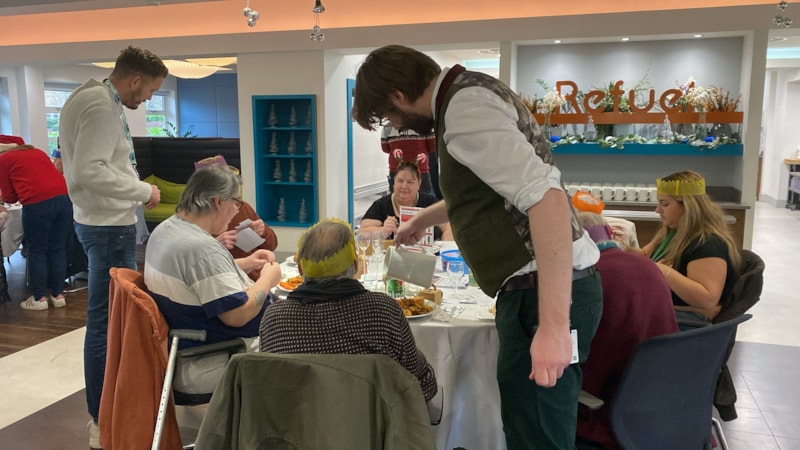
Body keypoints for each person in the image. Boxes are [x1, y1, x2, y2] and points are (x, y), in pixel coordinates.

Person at [351, 45, 602, 449]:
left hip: (540, 293)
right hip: (544, 288)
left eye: (389, 115)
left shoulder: (464, 110)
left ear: (397, 97)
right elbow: (485, 190)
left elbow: (547, 200)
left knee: (537, 436)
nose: (396, 125)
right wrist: (422, 220)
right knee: (532, 426)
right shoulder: (471, 91)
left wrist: (553, 327)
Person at [58, 45, 167, 449]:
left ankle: (107, 411)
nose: (149, 99)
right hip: (106, 226)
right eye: (150, 91)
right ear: (134, 79)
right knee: (107, 323)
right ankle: (102, 418)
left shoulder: (89, 97)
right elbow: (89, 171)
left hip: (99, 221)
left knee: (109, 319)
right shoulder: (101, 106)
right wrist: (144, 190)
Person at [260, 218, 437, 401]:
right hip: (371, 426)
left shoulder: (274, 318)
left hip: (298, 426)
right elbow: (424, 385)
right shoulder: (382, 311)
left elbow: (267, 390)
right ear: (355, 266)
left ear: (300, 269)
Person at [145, 166, 281, 391]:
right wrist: (267, 279)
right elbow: (237, 316)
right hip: (219, 355)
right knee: (309, 346)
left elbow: (196, 279)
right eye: (236, 202)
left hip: (185, 347)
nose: (237, 209)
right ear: (218, 202)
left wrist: (247, 263)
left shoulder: (166, 230)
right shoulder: (201, 248)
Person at [575, 212, 678, 448]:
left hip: (609, 408)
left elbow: (582, 355)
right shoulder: (649, 267)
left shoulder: (587, 278)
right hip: (665, 396)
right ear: (611, 234)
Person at [633, 170, 740, 325]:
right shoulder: (672, 234)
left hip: (686, 324)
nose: (658, 210)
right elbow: (644, 254)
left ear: (689, 207)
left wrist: (663, 271)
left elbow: (707, 300)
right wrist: (621, 248)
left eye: (665, 204)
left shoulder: (708, 244)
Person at [0, 135, 73, 310]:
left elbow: (9, 196)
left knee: (37, 250)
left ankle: (39, 298)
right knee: (58, 248)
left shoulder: (4, 160)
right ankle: (58, 295)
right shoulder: (36, 152)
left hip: (37, 205)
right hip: (63, 201)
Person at [194, 155, 279, 280]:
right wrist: (215, 245)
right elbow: (196, 269)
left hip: (255, 278)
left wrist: (263, 232)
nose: (235, 208)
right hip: (225, 281)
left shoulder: (242, 208)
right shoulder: (194, 222)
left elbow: (271, 245)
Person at [359, 160, 453, 241]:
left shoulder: (430, 202)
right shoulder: (381, 205)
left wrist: (446, 250)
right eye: (400, 181)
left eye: (410, 182)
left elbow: (449, 227)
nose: (404, 186)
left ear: (419, 184)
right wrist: (383, 230)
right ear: (394, 182)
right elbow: (362, 233)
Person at [381, 125, 436, 196]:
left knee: (398, 199)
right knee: (423, 199)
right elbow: (432, 147)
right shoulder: (424, 123)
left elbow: (385, 148)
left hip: (397, 169)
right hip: (420, 169)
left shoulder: (387, 127)